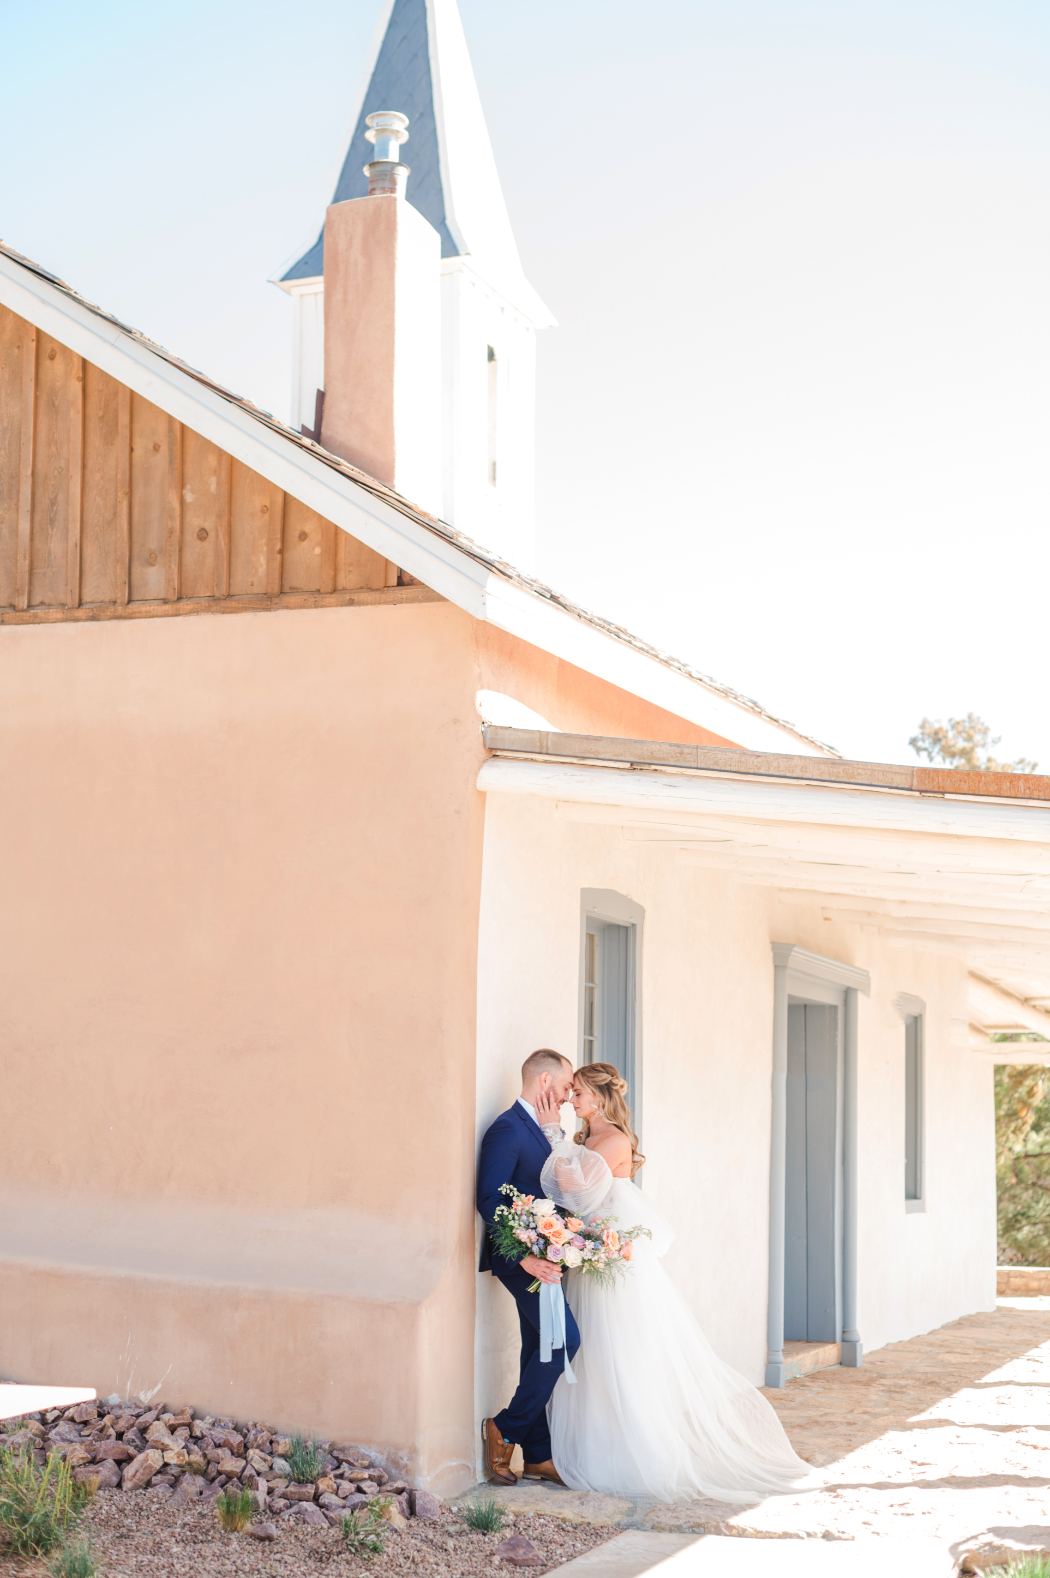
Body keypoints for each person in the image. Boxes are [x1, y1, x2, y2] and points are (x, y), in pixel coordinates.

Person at [542, 1061, 809, 1503]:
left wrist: (553, 1135)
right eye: (571, 1094)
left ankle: (629, 1453)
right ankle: (593, 1444)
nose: (572, 1100)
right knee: (591, 1350)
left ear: (601, 1097)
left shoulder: (613, 1139)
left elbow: (574, 1190)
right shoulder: (588, 1136)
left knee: (617, 1348)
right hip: (595, 1253)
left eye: (579, 1094)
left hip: (616, 1262)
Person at [476, 1048, 578, 1487]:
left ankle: (537, 1456)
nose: (570, 1095)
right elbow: (490, 1199)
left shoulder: (543, 1130)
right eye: (566, 1085)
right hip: (524, 1263)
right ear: (543, 1082)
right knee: (564, 1342)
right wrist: (525, 1258)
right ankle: (505, 1429)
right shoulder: (507, 1129)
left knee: (538, 1349)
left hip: (547, 1259)